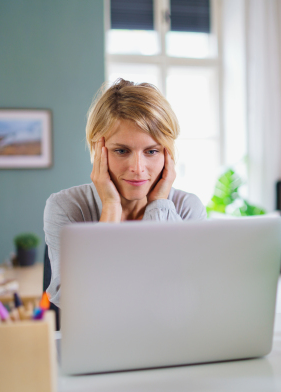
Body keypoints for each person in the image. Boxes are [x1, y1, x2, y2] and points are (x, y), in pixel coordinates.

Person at [44, 78, 207, 306]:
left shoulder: (187, 208)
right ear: (97, 150)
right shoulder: (67, 206)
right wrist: (110, 208)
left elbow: (181, 298)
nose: (138, 168)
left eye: (151, 151)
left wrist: (158, 205)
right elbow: (74, 300)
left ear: (167, 154)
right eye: (121, 150)